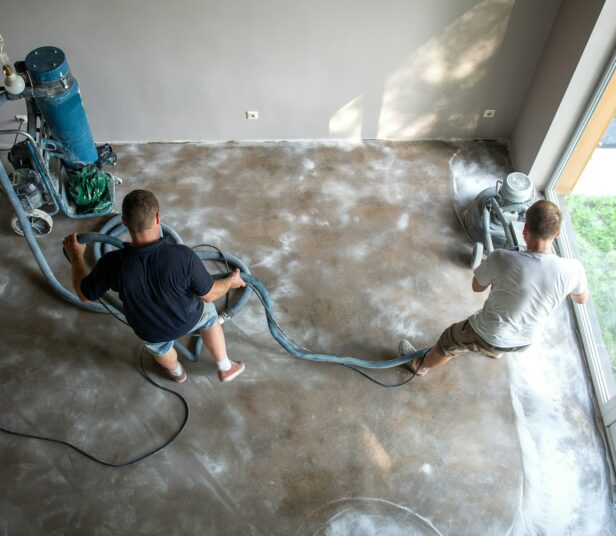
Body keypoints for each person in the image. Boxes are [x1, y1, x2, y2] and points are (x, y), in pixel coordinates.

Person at [63, 189, 246, 383]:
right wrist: (230, 281)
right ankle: (225, 366)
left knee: (160, 350)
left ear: (123, 222)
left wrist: (76, 256)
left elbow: (84, 295)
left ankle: (177, 373)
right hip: (189, 317)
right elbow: (209, 294)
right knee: (209, 318)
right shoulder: (182, 256)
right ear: (158, 218)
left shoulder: (112, 263)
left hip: (152, 330)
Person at [399, 199, 589, 376]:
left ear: (524, 231)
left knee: (449, 340)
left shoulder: (501, 258)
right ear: (557, 233)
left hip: (490, 335)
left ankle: (420, 366)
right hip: (526, 340)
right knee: (502, 339)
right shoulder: (574, 269)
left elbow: (477, 286)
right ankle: (494, 351)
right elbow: (581, 298)